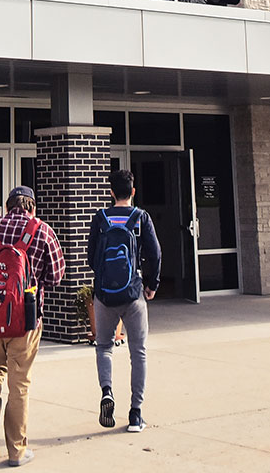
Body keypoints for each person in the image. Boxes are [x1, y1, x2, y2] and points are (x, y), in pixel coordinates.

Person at [0, 186, 64, 467]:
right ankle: (16, 451)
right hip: (25, 322)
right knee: (20, 384)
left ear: (7, 207)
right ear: (32, 208)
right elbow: (56, 275)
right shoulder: (41, 230)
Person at [87, 168, 160, 434]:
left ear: (110, 192)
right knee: (138, 353)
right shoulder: (141, 217)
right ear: (132, 192)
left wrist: (105, 279)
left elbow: (90, 256)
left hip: (105, 295)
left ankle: (107, 392)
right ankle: (135, 413)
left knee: (104, 347)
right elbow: (155, 254)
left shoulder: (101, 218)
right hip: (133, 294)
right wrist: (151, 286)